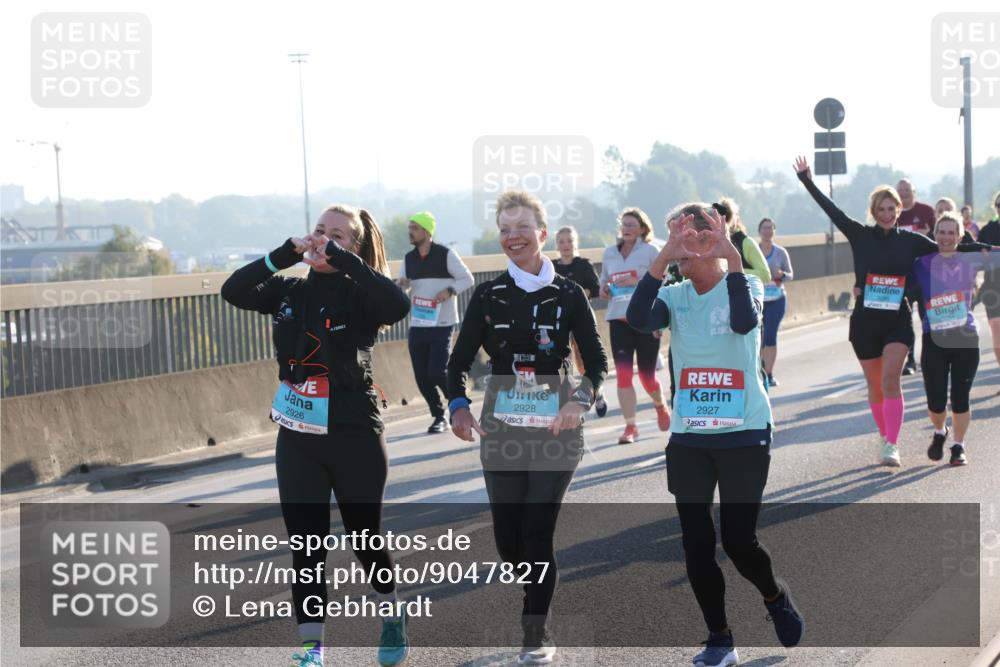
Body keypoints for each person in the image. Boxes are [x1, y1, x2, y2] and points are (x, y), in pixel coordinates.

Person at [221, 205, 411, 667]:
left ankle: (391, 614)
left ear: (357, 248)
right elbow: (233, 290)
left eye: (338, 236)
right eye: (319, 231)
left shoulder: (361, 294)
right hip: (299, 433)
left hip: (355, 433)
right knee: (306, 544)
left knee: (364, 536)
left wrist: (344, 260)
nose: (323, 240)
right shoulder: (288, 291)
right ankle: (311, 647)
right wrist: (282, 254)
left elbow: (398, 305)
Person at [627, 205, 804, 667]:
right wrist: (662, 257)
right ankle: (719, 638)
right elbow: (638, 319)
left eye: (693, 240)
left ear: (713, 242)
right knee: (696, 540)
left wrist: (732, 255)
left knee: (739, 541)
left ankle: (773, 595)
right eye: (677, 240)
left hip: (744, 433)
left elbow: (745, 323)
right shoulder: (675, 295)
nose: (686, 249)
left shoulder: (743, 285)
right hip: (690, 437)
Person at [447, 190, 608, 665]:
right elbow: (457, 363)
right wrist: (457, 405)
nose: (512, 236)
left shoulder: (568, 293)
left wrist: (580, 400)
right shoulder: (489, 295)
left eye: (521, 227)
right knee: (508, 541)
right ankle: (532, 593)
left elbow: (596, 363)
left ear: (542, 234)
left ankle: (536, 629)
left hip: (558, 427)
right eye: (504, 229)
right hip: (502, 428)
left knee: (537, 531)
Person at [794, 157, 989, 467]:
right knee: (875, 387)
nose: (887, 214)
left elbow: (948, 246)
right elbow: (831, 211)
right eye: (881, 209)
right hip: (865, 322)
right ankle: (884, 436)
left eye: (892, 208)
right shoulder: (860, 235)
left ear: (900, 210)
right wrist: (807, 180)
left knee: (890, 381)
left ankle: (892, 445)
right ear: (875, 211)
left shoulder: (912, 242)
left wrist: (981, 248)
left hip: (897, 321)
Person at [912, 212, 1000, 466]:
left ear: (960, 236)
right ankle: (940, 430)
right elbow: (901, 283)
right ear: (935, 235)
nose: (947, 237)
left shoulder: (970, 259)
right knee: (936, 402)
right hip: (934, 339)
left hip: (965, 337)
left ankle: (959, 445)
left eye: (952, 233)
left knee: (960, 397)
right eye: (942, 232)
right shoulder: (921, 263)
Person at [396, 211, 474, 434]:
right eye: (409, 227)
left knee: (437, 371)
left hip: (443, 323)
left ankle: (456, 403)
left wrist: (450, 290)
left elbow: (467, 279)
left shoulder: (446, 254)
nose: (410, 232)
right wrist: (402, 284)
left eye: (415, 228)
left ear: (427, 231)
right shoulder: (408, 258)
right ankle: (438, 416)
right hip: (419, 323)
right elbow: (405, 286)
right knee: (421, 376)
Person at [600, 207, 671, 444]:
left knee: (647, 376)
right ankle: (630, 426)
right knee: (622, 375)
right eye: (624, 224)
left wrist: (638, 280)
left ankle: (660, 405)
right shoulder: (609, 253)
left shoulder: (651, 251)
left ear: (642, 228)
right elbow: (603, 281)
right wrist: (605, 289)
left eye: (632, 225)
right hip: (618, 320)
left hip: (646, 320)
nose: (627, 229)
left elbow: (666, 281)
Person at [554, 225, 607, 416]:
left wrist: (576, 295)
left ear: (576, 243)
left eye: (569, 241)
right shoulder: (551, 267)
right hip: (558, 321)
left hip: (581, 318)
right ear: (556, 245)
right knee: (562, 362)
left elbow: (595, 288)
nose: (566, 245)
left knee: (584, 361)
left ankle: (596, 391)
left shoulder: (583, 265)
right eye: (561, 241)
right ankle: (566, 401)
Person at [897, 179, 937, 374]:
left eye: (907, 190)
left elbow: (940, 238)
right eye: (900, 190)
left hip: (924, 272)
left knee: (927, 316)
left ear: (914, 192)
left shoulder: (926, 211)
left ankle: (929, 355)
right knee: (905, 320)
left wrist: (926, 235)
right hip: (903, 275)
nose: (904, 193)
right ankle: (910, 361)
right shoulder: (892, 213)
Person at [757, 218, 794, 387]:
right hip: (758, 300)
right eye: (765, 228)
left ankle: (769, 373)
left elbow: (790, 274)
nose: (767, 231)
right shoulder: (753, 251)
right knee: (759, 338)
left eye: (770, 228)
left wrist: (781, 274)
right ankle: (759, 371)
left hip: (777, 299)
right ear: (760, 231)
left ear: (774, 231)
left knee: (770, 336)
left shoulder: (780, 252)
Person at [713, 197, 772, 285]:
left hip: (745, 296)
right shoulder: (712, 240)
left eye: (727, 215)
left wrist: (735, 270)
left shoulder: (746, 242)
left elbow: (765, 275)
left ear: (737, 217)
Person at [976, 191, 1000, 384]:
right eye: (999, 205)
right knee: (997, 331)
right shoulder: (988, 231)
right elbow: (978, 259)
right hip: (993, 286)